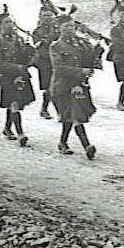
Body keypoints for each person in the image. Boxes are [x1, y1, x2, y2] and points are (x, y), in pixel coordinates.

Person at [49, 16, 98, 159]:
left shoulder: (81, 43)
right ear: (59, 28)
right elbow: (59, 68)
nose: (69, 29)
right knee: (73, 116)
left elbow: (88, 58)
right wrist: (81, 72)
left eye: (71, 26)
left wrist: (94, 60)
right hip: (63, 86)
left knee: (72, 116)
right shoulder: (56, 46)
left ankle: (62, 142)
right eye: (66, 27)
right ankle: (86, 145)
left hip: (79, 84)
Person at [0, 13, 36, 146]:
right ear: (0, 25)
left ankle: (7, 128)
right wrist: (17, 67)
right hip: (6, 76)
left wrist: (30, 51)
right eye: (6, 22)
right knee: (14, 103)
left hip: (21, 74)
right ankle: (20, 133)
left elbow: (29, 58)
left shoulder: (20, 39)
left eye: (11, 22)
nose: (9, 25)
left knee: (14, 102)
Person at [32, 6, 59, 119]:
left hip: (57, 61)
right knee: (48, 87)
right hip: (44, 62)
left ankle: (57, 110)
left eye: (49, 15)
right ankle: (45, 109)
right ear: (40, 17)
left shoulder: (57, 29)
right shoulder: (37, 32)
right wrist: (44, 41)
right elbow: (37, 47)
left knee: (58, 86)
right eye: (45, 15)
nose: (47, 18)